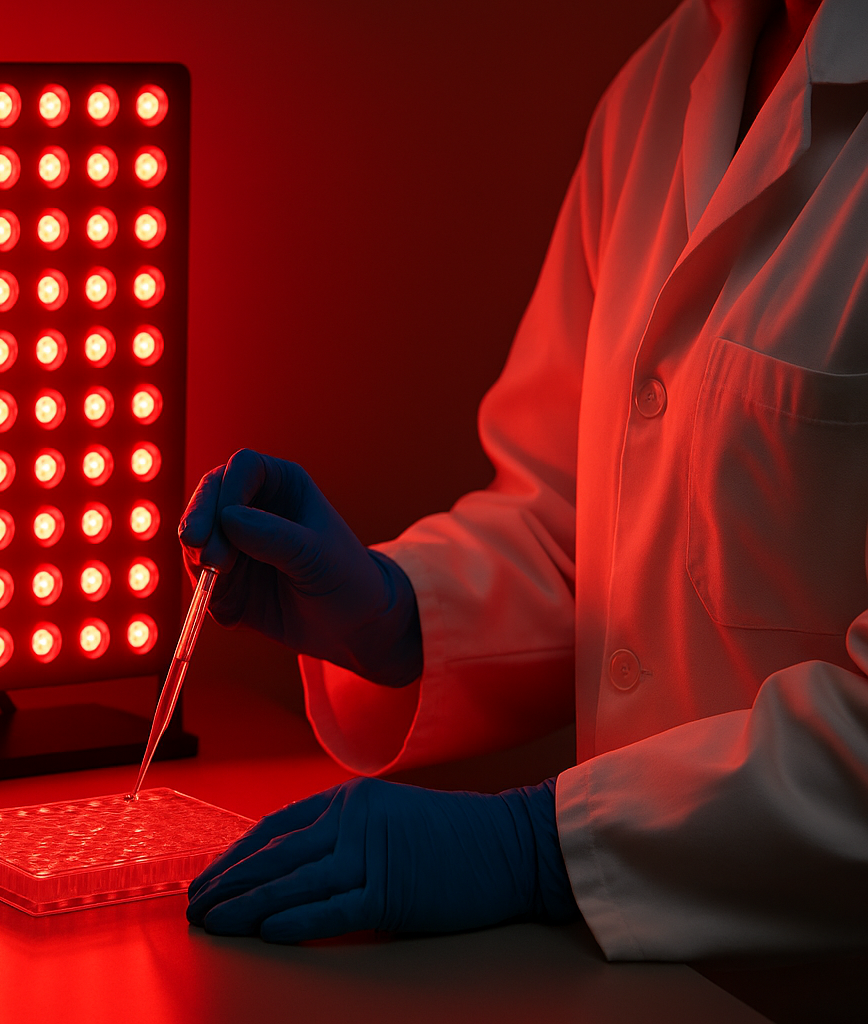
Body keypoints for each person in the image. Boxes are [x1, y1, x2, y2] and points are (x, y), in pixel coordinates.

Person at [180, 0, 868, 960]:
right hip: (625, 982)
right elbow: (577, 526)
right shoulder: (674, 72)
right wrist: (397, 613)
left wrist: (539, 847)